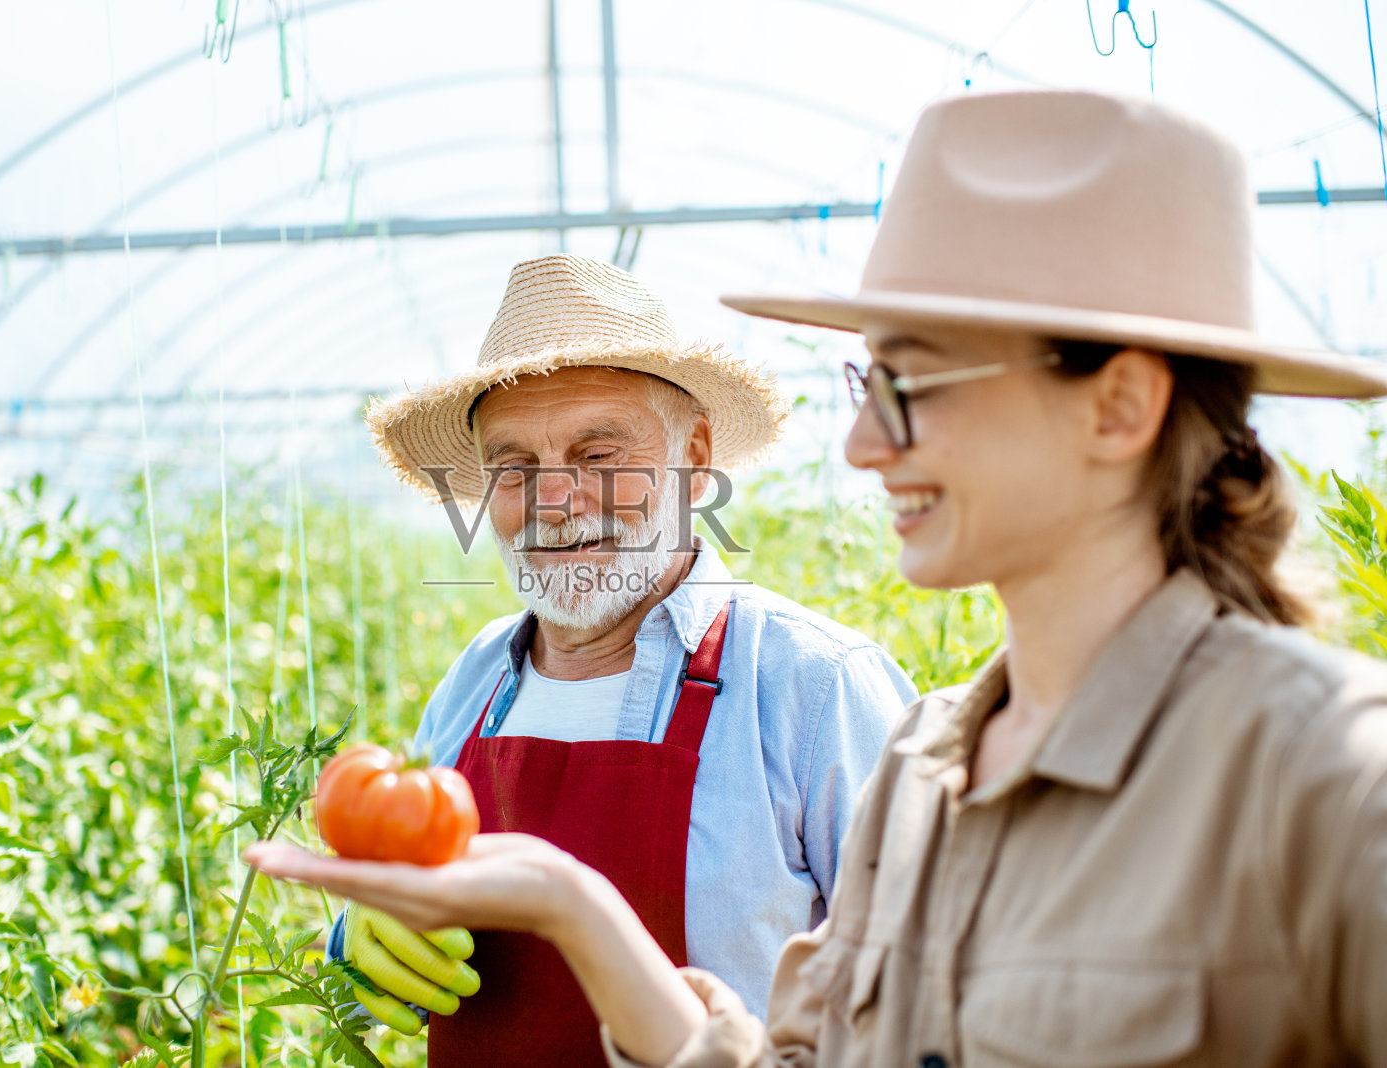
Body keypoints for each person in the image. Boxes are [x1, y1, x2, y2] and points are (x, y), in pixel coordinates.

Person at [251, 91, 1387, 1066]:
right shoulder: (934, 770)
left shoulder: (1324, 782)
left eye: (917, 385)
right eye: (866, 384)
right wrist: (530, 915)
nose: (861, 448)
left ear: (1120, 405)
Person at [325, 254, 916, 1066]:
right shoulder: (476, 680)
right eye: (515, 468)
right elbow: (408, 897)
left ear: (696, 456)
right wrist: (358, 930)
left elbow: (922, 1004)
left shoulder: (812, 686)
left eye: (599, 456)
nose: (555, 501)